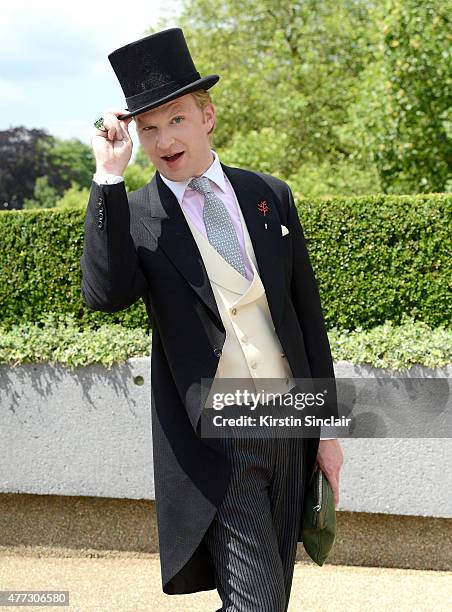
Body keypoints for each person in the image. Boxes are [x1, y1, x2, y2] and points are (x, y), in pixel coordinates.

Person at [81, 27, 343, 611]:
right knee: (255, 604)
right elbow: (102, 294)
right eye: (147, 128)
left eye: (175, 120)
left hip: (289, 428)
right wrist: (108, 176)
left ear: (208, 117)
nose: (162, 139)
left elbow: (307, 318)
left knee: (267, 597)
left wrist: (326, 429)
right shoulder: (139, 218)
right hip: (219, 441)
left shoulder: (268, 196)